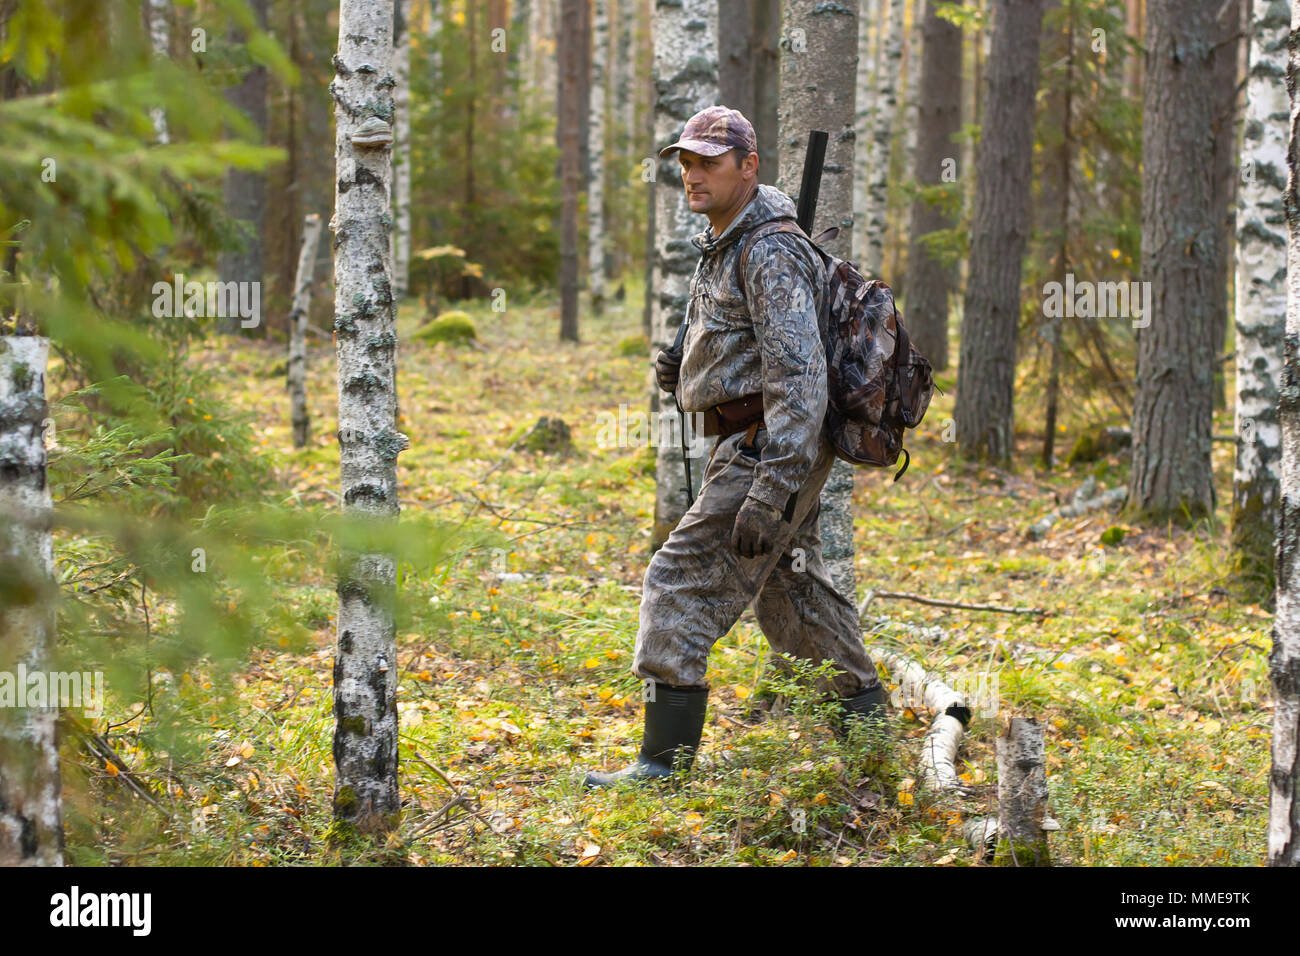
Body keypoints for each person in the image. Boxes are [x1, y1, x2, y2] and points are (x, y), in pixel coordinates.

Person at [584, 106, 887, 789]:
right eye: (686, 161)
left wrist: (771, 487)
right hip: (752, 440)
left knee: (680, 581)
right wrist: (686, 368)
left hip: (767, 447)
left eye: (708, 162)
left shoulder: (768, 248)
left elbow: (801, 377)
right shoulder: (726, 237)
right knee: (796, 598)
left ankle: (661, 769)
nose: (693, 173)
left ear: (747, 167)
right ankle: (870, 742)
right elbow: (741, 340)